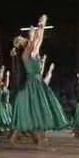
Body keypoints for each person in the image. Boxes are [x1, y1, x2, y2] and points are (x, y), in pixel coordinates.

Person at [11, 15, 69, 147]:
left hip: (36, 84)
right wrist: (41, 25)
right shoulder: (26, 54)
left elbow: (37, 41)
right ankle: (41, 139)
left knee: (35, 111)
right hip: (33, 86)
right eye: (25, 40)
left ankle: (25, 138)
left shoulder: (31, 53)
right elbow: (38, 39)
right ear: (23, 45)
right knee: (37, 110)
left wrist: (37, 30)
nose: (28, 40)